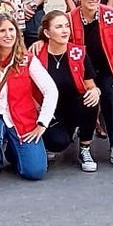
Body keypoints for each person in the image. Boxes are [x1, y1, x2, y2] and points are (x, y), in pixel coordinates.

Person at [0, 13, 57, 180]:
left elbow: (51, 90)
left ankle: (13, 150)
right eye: (2, 31)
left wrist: (42, 123)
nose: (8, 35)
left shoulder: (27, 59)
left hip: (22, 119)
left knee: (35, 172)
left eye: (11, 30)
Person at [69, 0, 113, 170]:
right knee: (88, 99)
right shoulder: (69, 19)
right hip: (80, 74)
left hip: (106, 70)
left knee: (112, 93)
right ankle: (84, 146)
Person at [23, 12, 94, 174]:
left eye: (67, 26)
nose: (65, 30)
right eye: (59, 27)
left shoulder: (78, 52)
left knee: (91, 101)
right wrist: (36, 106)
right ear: (47, 33)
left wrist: (95, 91)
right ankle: (65, 135)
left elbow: (90, 85)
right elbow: (25, 86)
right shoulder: (35, 54)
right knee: (58, 143)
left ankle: (85, 149)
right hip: (48, 110)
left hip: (73, 106)